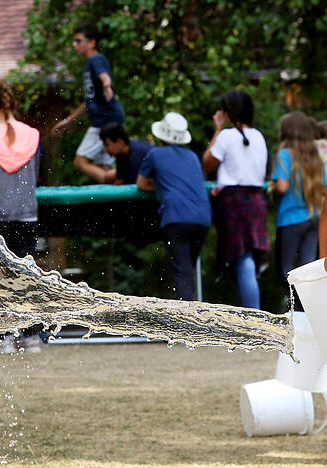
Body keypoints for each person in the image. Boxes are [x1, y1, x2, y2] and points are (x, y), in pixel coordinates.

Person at [0, 80, 44, 352]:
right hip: (26, 214)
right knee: (26, 275)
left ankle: (2, 337)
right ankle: (32, 335)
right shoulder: (33, 137)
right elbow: (36, 173)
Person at [202, 90, 269, 309]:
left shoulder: (226, 136)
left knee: (242, 261)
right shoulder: (258, 136)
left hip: (233, 203)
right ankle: (249, 318)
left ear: (229, 113)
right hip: (256, 201)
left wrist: (218, 129)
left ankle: (255, 320)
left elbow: (207, 164)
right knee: (246, 261)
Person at [136, 112, 211, 300]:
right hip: (202, 217)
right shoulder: (193, 156)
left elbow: (141, 184)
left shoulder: (154, 154)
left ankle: (187, 325)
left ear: (161, 135)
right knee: (187, 271)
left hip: (176, 216)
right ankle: (192, 315)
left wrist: (161, 185)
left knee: (182, 274)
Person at [51, 23, 126, 183]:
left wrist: (107, 85)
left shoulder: (96, 60)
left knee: (80, 161)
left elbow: (104, 75)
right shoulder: (88, 65)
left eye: (78, 41)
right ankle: (114, 191)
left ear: (91, 42)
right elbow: (88, 101)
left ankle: (120, 176)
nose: (74, 44)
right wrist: (69, 120)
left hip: (105, 122)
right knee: (103, 165)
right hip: (109, 119)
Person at [271, 112, 325, 309]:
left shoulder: (285, 155)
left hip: (291, 219)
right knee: (308, 271)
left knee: (286, 271)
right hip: (313, 218)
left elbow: (282, 186)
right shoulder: (315, 156)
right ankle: (309, 313)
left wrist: (273, 186)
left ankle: (300, 311)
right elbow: (324, 188)